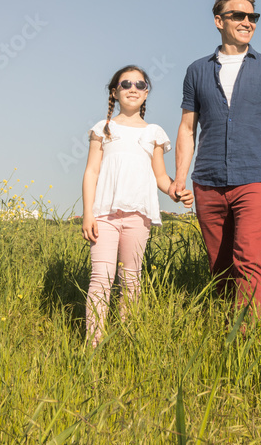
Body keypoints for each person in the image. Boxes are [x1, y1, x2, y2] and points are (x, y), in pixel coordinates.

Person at [169, 0, 261, 322]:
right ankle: (225, 328)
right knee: (220, 265)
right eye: (238, 16)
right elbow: (187, 129)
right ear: (219, 21)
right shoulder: (196, 71)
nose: (247, 22)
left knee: (249, 261)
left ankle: (247, 340)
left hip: (253, 180)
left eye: (252, 17)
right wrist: (179, 179)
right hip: (207, 182)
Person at [81, 65, 193, 345]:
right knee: (100, 279)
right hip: (103, 215)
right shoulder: (103, 128)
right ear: (115, 92)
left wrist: (176, 192)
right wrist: (87, 214)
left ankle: (127, 341)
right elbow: (91, 172)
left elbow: (160, 177)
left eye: (140, 85)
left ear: (146, 93)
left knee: (131, 280)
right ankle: (93, 346)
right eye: (126, 84)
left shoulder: (153, 132)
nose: (133, 88)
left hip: (138, 217)